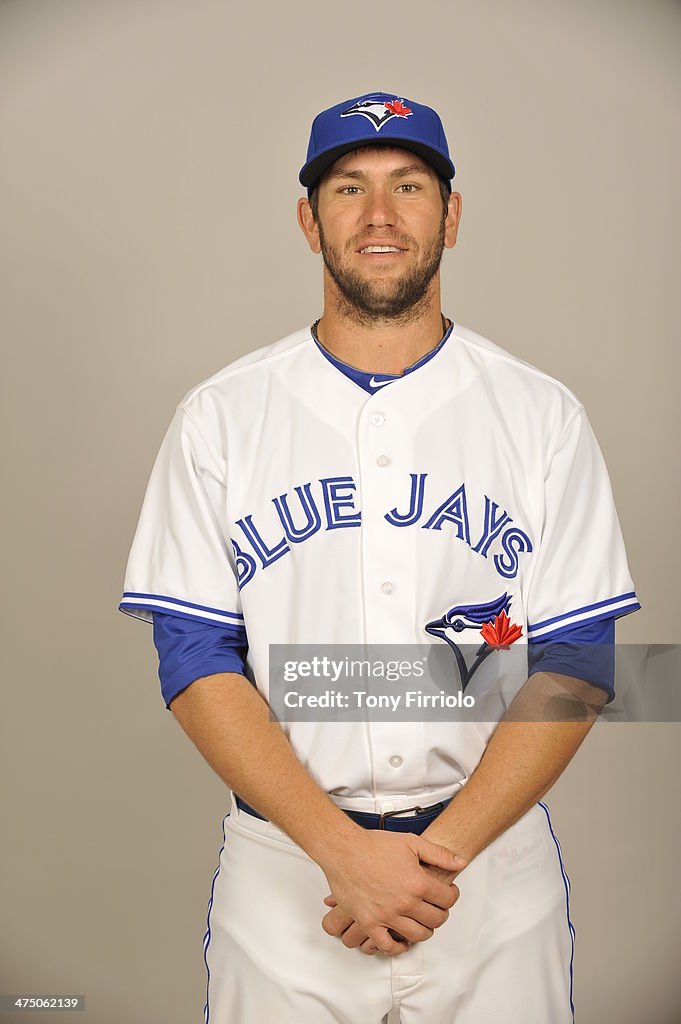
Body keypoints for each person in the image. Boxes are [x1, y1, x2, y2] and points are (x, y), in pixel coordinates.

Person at [119, 91, 641, 1023]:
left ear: (451, 213)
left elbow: (576, 664)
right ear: (306, 218)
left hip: (488, 875)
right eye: (348, 187)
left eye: (409, 185)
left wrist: (432, 858)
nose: (379, 215)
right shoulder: (222, 416)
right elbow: (194, 659)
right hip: (288, 875)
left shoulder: (538, 415)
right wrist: (343, 853)